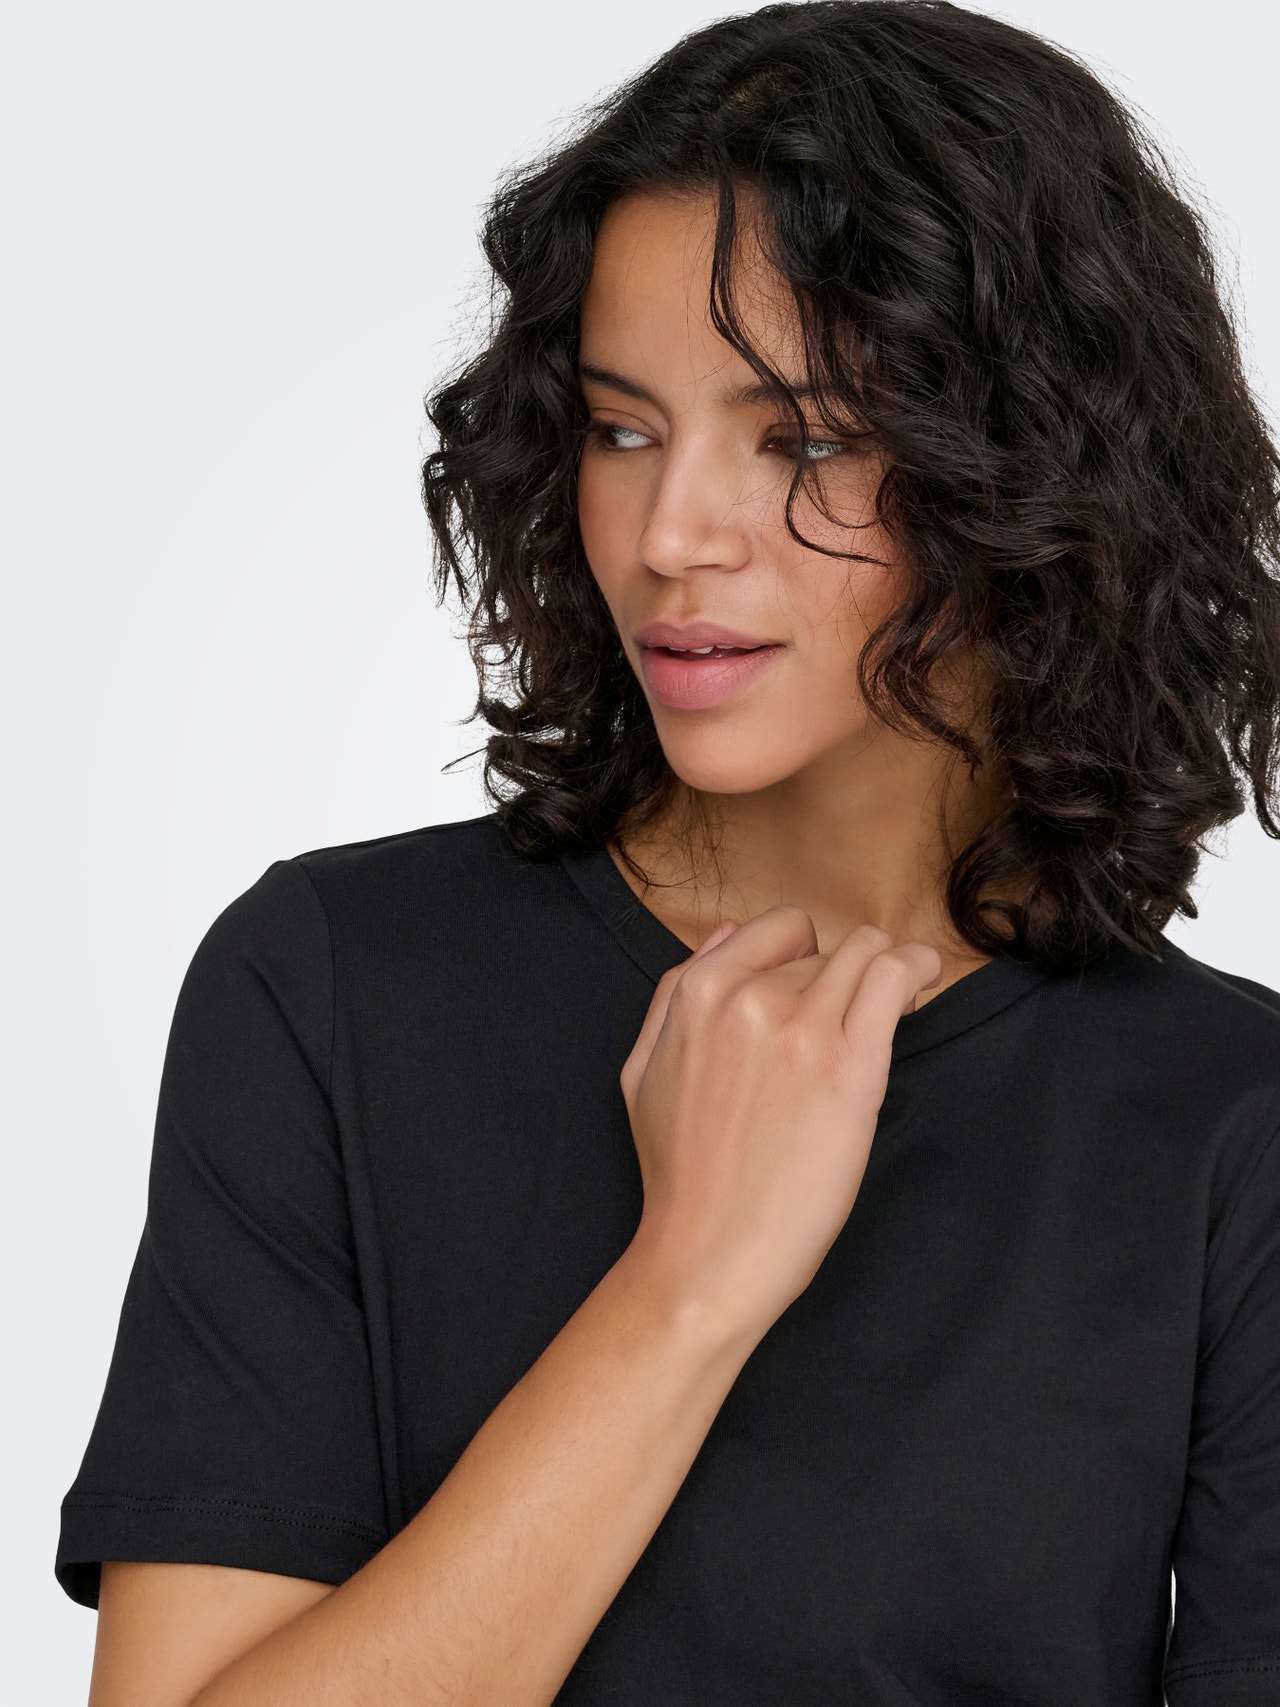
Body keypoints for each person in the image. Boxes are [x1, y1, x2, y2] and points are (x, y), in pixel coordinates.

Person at [58, 2, 1280, 1702]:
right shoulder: (331, 985)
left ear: (1034, 474)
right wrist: (688, 1284)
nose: (670, 532)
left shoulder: (1229, 1123)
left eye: (804, 438)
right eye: (623, 428)